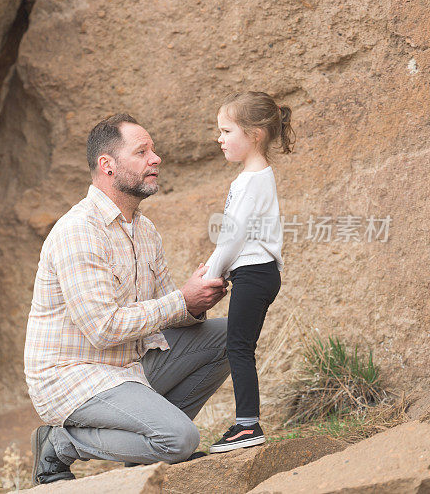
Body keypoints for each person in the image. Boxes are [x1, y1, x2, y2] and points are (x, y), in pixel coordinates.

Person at [24, 113, 230, 485]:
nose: (156, 159)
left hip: (128, 368)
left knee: (231, 335)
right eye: (142, 152)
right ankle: (60, 442)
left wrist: (198, 300)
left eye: (153, 151)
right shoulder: (79, 231)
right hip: (73, 378)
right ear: (108, 166)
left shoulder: (145, 230)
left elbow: (169, 307)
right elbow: (103, 328)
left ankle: (146, 450)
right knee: (181, 439)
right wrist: (180, 300)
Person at [203, 92, 295, 453]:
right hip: (260, 272)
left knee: (238, 347)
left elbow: (233, 234)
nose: (220, 138)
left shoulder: (249, 181)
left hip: (254, 272)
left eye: (227, 131)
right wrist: (217, 265)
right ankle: (246, 423)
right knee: (240, 345)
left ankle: (247, 426)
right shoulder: (258, 176)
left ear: (255, 134)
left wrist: (212, 272)